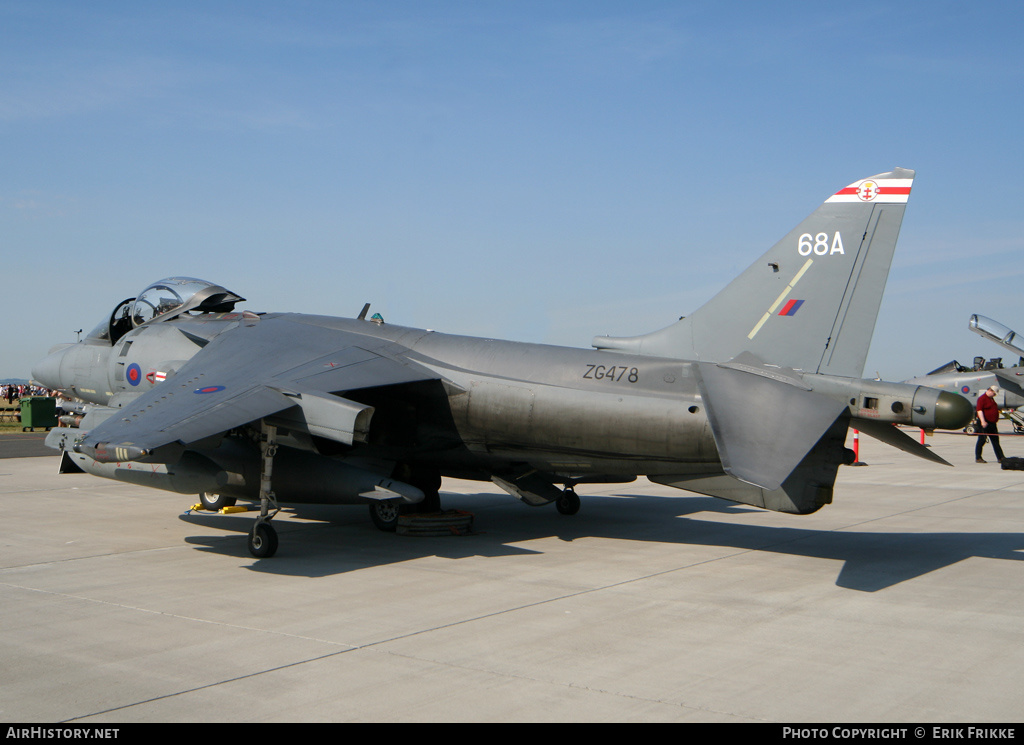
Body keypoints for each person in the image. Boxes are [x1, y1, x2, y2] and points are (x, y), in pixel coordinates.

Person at [975, 385, 1005, 463]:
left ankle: (1001, 457)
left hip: (992, 423)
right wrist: (983, 421)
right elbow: (979, 410)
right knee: (982, 440)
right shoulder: (982, 399)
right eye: (994, 393)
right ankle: (978, 457)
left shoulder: (991, 399)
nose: (994, 395)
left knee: (995, 440)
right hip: (985, 422)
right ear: (990, 390)